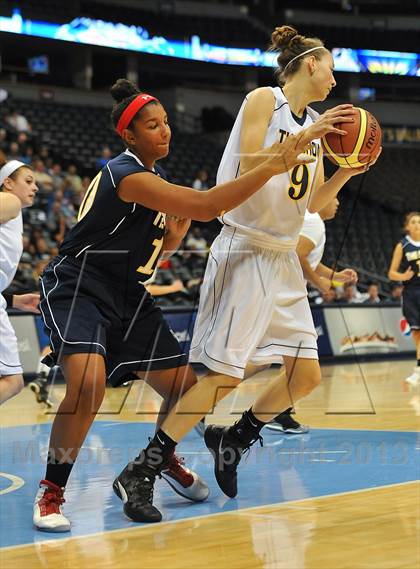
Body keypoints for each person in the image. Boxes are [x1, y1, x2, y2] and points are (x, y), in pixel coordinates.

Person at [32, 78, 314, 531]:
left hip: (127, 294)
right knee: (88, 387)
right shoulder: (125, 174)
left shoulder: (153, 180)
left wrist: (170, 244)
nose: (165, 132)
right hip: (80, 285)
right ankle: (52, 491)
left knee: (187, 391)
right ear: (129, 135)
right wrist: (270, 166)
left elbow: (146, 249)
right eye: (152, 126)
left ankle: (161, 461)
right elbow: (207, 206)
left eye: (166, 123)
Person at [123, 25, 381, 521]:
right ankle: (143, 469)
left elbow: (316, 206)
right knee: (220, 375)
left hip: (282, 257)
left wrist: (349, 169)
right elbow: (247, 162)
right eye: (331, 67)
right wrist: (307, 137)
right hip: (244, 248)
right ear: (310, 63)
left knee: (304, 376)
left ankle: (234, 439)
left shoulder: (315, 131)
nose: (334, 80)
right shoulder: (265, 99)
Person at [266, 197, 358, 433]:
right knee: (282, 359)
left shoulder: (311, 221)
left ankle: (279, 411)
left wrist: (337, 276)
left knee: (290, 357)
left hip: (278, 290)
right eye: (335, 197)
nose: (338, 202)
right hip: (284, 293)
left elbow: (311, 261)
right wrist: (319, 283)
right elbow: (298, 255)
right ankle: (201, 399)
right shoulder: (313, 220)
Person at [0, 159, 40, 404]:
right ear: (7, 183)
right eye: (28, 181)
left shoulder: (15, 216)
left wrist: (12, 299)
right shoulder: (11, 201)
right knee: (13, 382)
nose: (35, 187)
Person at [388, 211, 420, 385]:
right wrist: (403, 277)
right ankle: (419, 369)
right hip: (412, 292)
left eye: (419, 222)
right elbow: (391, 273)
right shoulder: (403, 245)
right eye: (413, 222)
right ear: (407, 226)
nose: (416, 224)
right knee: (417, 332)